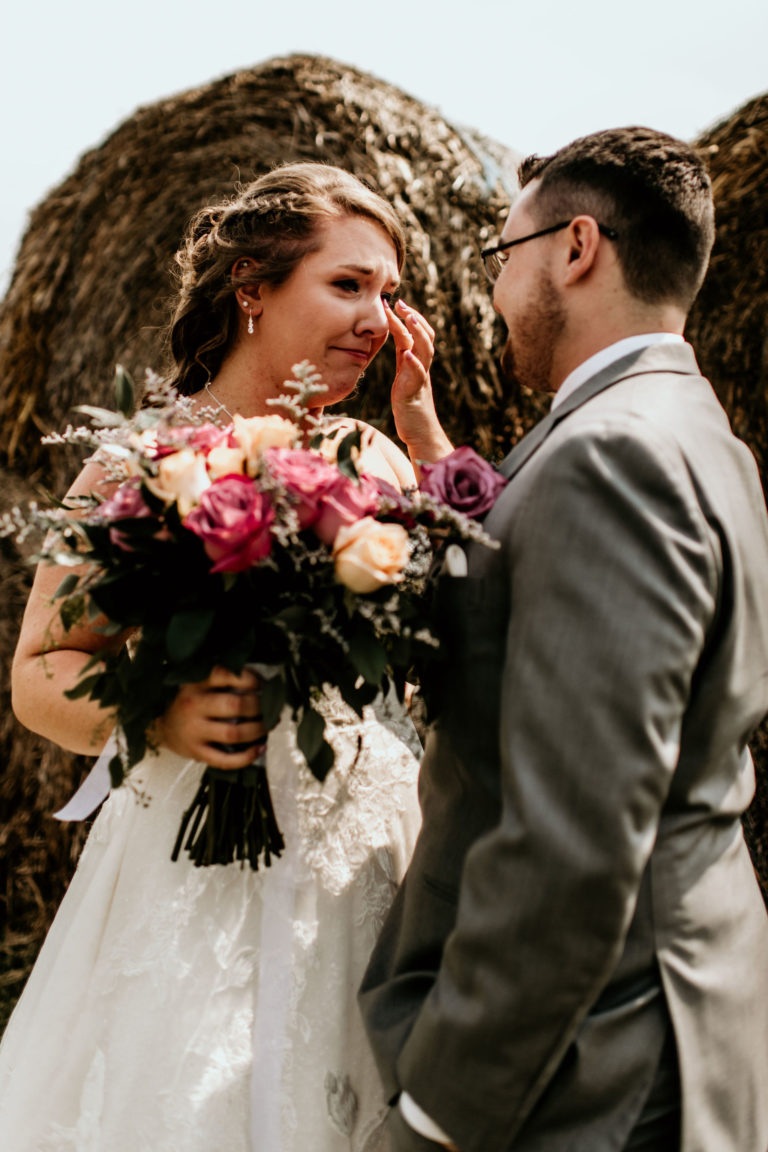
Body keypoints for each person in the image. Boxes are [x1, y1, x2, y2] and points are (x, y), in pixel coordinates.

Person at [0, 162, 451, 1152]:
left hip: (362, 849)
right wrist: (154, 716)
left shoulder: (371, 459)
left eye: (389, 292)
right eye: (347, 285)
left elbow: (468, 619)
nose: (378, 318)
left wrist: (422, 434)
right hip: (188, 855)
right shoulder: (138, 459)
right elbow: (38, 671)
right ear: (252, 287)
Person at [359, 127, 768, 1152]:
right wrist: (430, 443)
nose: (494, 296)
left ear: (576, 247)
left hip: (588, 1067)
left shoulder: (612, 457)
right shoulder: (691, 431)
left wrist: (442, 1111)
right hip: (659, 1019)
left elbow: (573, 842)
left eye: (504, 259)